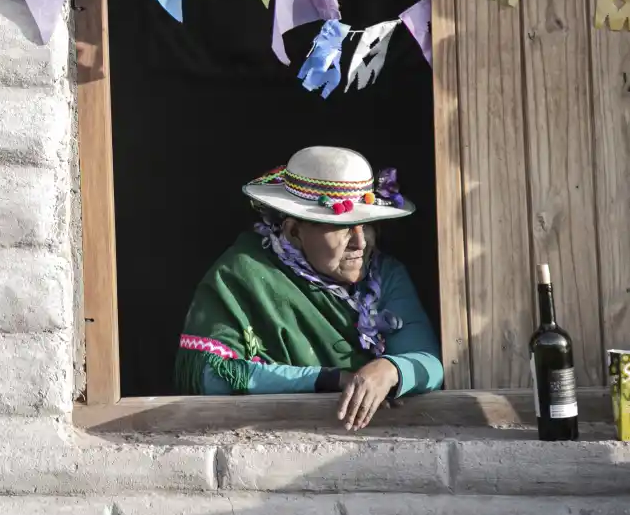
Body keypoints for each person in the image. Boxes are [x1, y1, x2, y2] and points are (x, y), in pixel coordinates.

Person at [175, 146, 444, 431]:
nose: (360, 243)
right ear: (293, 232)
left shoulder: (386, 274)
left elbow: (428, 362)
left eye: (367, 226)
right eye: (342, 228)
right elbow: (211, 375)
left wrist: (390, 370)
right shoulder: (242, 275)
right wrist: (328, 378)